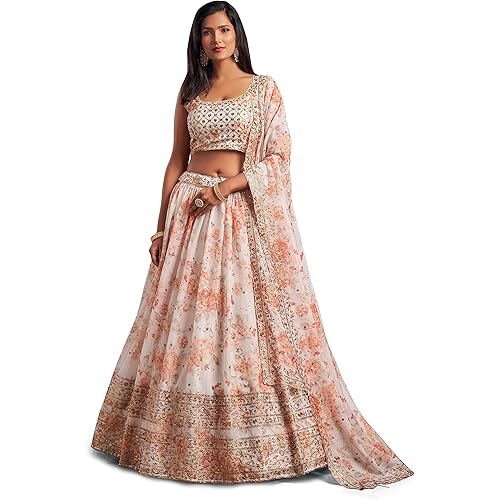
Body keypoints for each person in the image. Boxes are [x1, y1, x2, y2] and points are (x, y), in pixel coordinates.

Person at [90, 1, 414, 489]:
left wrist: (224, 188)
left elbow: (279, 157)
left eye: (224, 29)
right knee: (187, 322)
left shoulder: (263, 89)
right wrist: (159, 229)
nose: (216, 39)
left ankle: (261, 437)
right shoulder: (191, 91)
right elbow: (176, 159)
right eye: (207, 32)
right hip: (189, 213)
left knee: (245, 318)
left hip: (237, 212)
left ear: (237, 35)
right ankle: (174, 436)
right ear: (198, 42)